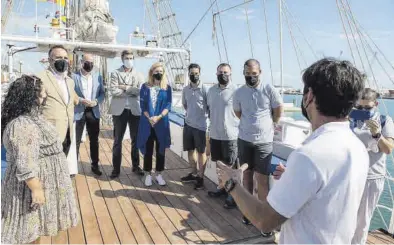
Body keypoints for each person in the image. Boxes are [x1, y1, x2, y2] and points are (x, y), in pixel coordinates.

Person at [217, 58, 369, 244]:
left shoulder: (309, 155)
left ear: (310, 96)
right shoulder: (358, 147)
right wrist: (293, 176)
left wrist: (231, 183)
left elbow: (265, 221)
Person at [1, 75, 79, 244]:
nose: (45, 95)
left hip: (41, 182)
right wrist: (36, 189)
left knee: (33, 230)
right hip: (27, 189)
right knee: (25, 231)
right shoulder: (23, 124)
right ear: (32, 95)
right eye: (43, 92)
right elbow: (25, 161)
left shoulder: (33, 118)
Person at [232, 59, 283, 236]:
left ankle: (265, 216)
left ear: (260, 72)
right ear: (244, 72)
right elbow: (238, 113)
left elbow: (278, 108)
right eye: (248, 74)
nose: (251, 77)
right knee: (246, 176)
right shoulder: (238, 92)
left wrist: (272, 124)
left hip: (264, 142)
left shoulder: (269, 89)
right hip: (244, 140)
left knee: (262, 180)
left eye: (254, 74)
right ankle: (248, 212)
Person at [350, 88, 394, 244]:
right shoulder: (351, 119)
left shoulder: (384, 121)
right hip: (351, 175)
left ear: (375, 104)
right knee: (344, 218)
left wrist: (377, 134)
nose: (363, 111)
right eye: (359, 107)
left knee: (362, 222)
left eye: (367, 108)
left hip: (371, 177)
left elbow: (388, 148)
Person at [206, 63, 239, 209]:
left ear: (230, 74)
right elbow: (209, 109)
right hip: (215, 134)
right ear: (216, 73)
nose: (223, 74)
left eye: (225, 72)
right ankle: (221, 187)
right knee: (219, 165)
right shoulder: (211, 90)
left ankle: (232, 195)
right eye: (220, 72)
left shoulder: (236, 91)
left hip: (230, 135)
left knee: (230, 167)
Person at [37, 45, 80, 156]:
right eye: (59, 57)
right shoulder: (40, 78)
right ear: (50, 60)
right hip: (49, 134)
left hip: (67, 132)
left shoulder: (70, 81)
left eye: (65, 58)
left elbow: (72, 102)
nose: (63, 60)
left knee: (62, 165)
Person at [108, 50, 145, 178]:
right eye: (127, 58)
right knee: (118, 140)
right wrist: (131, 90)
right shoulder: (115, 73)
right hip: (119, 111)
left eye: (131, 57)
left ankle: (136, 166)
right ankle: (116, 169)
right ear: (122, 59)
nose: (129, 60)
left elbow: (140, 91)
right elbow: (113, 90)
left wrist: (124, 86)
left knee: (136, 140)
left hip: (134, 110)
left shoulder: (139, 75)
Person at [137, 62, 172, 187]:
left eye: (161, 72)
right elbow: (143, 105)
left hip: (161, 123)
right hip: (147, 123)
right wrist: (150, 118)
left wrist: (159, 117)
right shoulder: (145, 87)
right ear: (151, 72)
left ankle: (158, 174)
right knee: (148, 149)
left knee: (160, 149)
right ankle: (147, 174)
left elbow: (168, 105)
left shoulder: (167, 88)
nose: (159, 74)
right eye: (156, 71)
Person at [73, 53, 105, 176]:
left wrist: (96, 101)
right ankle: (73, 167)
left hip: (93, 111)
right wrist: (81, 100)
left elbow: (102, 93)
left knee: (94, 140)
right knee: (76, 140)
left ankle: (95, 165)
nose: (89, 65)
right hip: (79, 111)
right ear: (82, 62)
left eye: (92, 63)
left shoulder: (98, 77)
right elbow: (72, 92)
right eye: (87, 62)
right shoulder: (73, 76)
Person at [180, 63, 209, 190]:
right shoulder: (185, 90)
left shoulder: (205, 89)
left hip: (201, 127)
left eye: (196, 73)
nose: (194, 75)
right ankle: (193, 173)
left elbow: (209, 107)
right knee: (190, 150)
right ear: (188, 74)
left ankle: (201, 178)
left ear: (199, 73)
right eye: (192, 73)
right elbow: (185, 105)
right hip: (188, 125)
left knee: (201, 152)